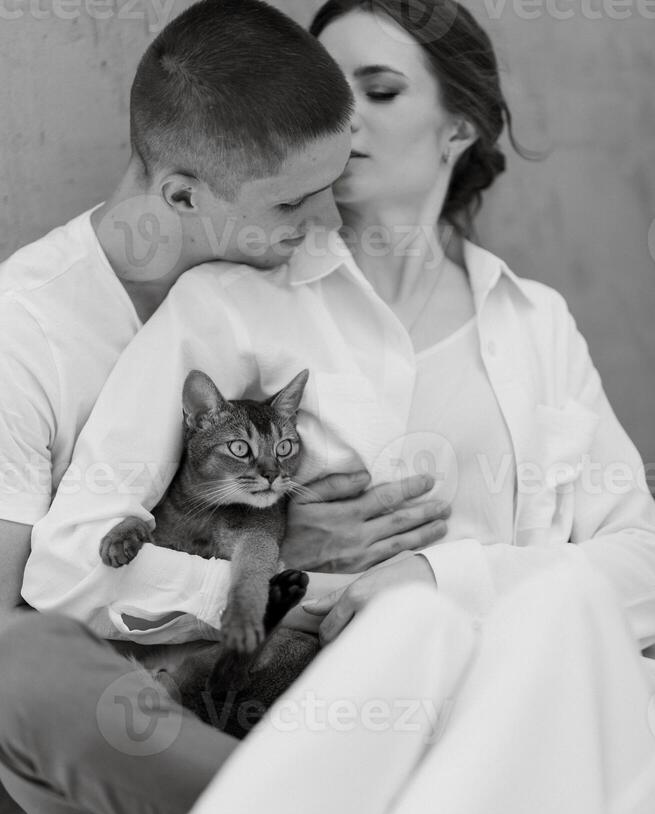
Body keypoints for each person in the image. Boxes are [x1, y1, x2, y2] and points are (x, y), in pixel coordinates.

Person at [6, 0, 655, 814]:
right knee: (31, 675)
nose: (341, 124)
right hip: (284, 716)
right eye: (325, 91)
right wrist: (274, 576)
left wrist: (435, 578)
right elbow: (72, 558)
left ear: (459, 124)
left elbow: (639, 562)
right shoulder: (230, 303)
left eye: (376, 91)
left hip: (486, 700)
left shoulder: (532, 321)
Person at [0, 0, 445, 633]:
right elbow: (8, 635)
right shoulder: (22, 336)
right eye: (292, 202)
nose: (331, 225)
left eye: (333, 186)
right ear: (183, 196)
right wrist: (277, 562)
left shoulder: (295, 280)